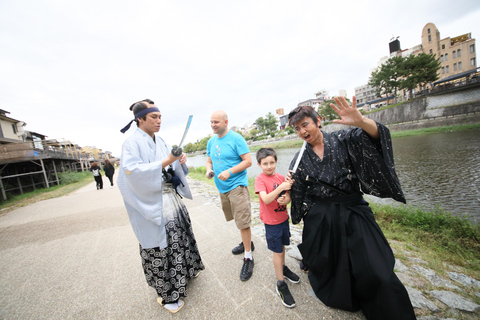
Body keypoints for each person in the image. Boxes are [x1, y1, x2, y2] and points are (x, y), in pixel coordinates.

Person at [286, 97, 416, 320]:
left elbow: (377, 138)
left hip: (353, 210)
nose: (301, 131)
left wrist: (362, 121)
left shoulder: (344, 139)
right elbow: (299, 192)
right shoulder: (299, 159)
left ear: (318, 121)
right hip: (323, 216)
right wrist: (288, 193)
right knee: (334, 264)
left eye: (305, 124)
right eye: (297, 128)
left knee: (377, 268)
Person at [117, 99, 204, 314]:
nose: (159, 120)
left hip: (170, 198)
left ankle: (187, 271)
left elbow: (172, 165)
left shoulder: (161, 140)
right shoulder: (131, 144)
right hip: (152, 202)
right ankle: (168, 295)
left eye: (160, 117)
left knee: (180, 237)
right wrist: (166, 161)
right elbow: (132, 173)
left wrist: (179, 161)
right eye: (154, 117)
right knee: (160, 246)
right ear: (140, 119)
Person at [205, 110, 254, 281]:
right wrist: (208, 170)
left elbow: (248, 161)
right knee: (235, 218)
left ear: (226, 122)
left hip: (237, 186)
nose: (213, 125)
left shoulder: (236, 138)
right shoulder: (211, 141)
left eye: (216, 122)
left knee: (243, 221)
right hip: (222, 187)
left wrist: (230, 171)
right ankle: (248, 243)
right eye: (211, 122)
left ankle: (248, 256)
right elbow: (209, 160)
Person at [254, 148, 300, 308]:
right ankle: (280, 283)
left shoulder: (281, 177)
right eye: (265, 163)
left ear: (276, 162)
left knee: (283, 248)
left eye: (272, 162)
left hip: (283, 219)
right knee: (278, 251)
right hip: (271, 223)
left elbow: (288, 195)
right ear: (259, 164)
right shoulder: (260, 180)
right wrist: (280, 188)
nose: (269, 166)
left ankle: (283, 267)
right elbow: (266, 199)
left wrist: (287, 198)